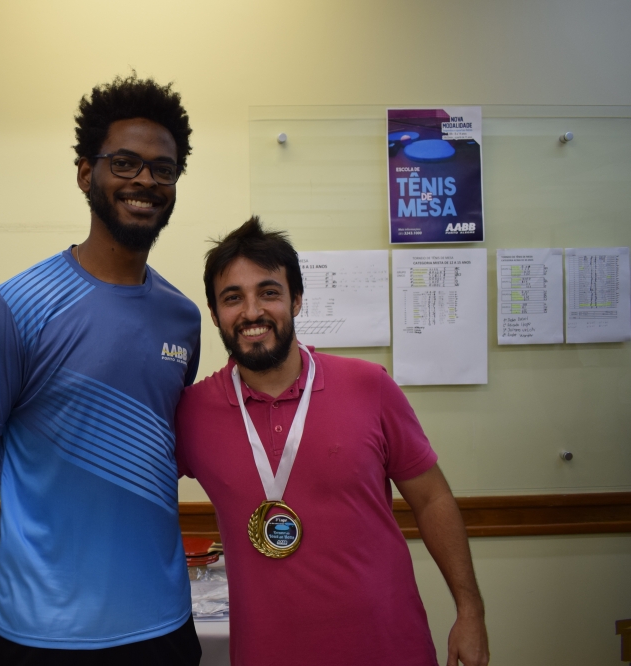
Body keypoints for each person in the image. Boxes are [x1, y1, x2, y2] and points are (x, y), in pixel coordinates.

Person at [0, 74, 203, 666]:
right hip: (41, 636)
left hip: (165, 626)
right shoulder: (15, 308)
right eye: (125, 163)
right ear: (86, 174)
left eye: (163, 169)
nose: (145, 181)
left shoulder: (183, 319)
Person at [175, 217, 490, 666]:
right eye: (233, 298)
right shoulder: (192, 412)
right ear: (214, 314)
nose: (252, 312)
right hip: (269, 654)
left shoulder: (369, 386)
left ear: (296, 300)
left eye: (269, 292)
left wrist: (470, 610)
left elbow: (432, 498)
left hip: (389, 647)